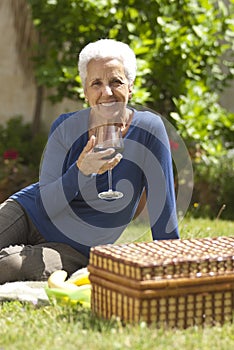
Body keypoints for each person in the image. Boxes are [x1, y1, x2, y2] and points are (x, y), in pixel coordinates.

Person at [0, 39, 179, 284]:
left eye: (116, 81)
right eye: (97, 83)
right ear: (86, 91)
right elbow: (46, 203)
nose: (107, 92)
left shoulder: (148, 130)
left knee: (9, 266)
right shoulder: (65, 126)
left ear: (130, 87)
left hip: (74, 248)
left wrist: (174, 267)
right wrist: (81, 171)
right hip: (29, 212)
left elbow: (163, 209)